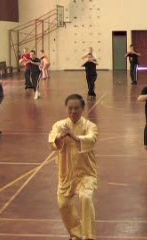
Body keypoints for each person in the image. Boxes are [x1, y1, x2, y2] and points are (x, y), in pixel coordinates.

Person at [48, 94, 99, 240]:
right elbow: (52, 141)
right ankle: (76, 234)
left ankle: (88, 236)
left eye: (76, 108)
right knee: (63, 204)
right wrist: (60, 137)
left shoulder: (91, 126)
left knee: (86, 197)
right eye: (70, 108)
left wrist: (75, 137)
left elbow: (91, 139)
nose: (73, 111)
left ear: (82, 109)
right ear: (66, 109)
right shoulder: (59, 125)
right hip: (66, 174)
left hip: (86, 173)